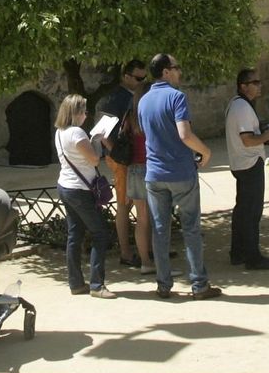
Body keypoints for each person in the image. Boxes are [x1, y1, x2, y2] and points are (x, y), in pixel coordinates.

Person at [138, 54, 220, 299]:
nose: (179, 73)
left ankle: (164, 284)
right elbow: (185, 134)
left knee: (160, 230)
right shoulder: (176, 97)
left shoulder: (143, 101)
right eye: (176, 68)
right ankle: (199, 284)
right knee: (191, 229)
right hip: (180, 172)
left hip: (154, 173)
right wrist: (205, 151)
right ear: (166, 72)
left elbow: (146, 133)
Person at [54, 93, 116, 296]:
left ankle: (76, 283)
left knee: (75, 234)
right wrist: (97, 140)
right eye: (84, 111)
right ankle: (97, 285)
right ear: (76, 113)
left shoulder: (60, 132)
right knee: (100, 233)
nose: (86, 115)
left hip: (66, 185)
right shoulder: (76, 133)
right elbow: (94, 159)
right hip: (80, 189)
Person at [226, 68, 269, 269]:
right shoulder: (242, 107)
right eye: (255, 82)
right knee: (251, 211)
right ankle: (252, 257)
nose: (259, 85)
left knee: (243, 210)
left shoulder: (238, 105)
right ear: (243, 86)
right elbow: (248, 140)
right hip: (249, 162)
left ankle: (238, 252)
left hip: (242, 162)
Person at [99, 61, 152, 272]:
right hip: (124, 158)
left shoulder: (130, 97)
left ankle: (144, 251)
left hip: (131, 158)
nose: (142, 82)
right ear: (126, 76)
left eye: (144, 78)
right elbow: (102, 132)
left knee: (137, 206)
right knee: (124, 204)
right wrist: (116, 154)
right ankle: (126, 253)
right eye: (139, 78)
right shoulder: (115, 99)